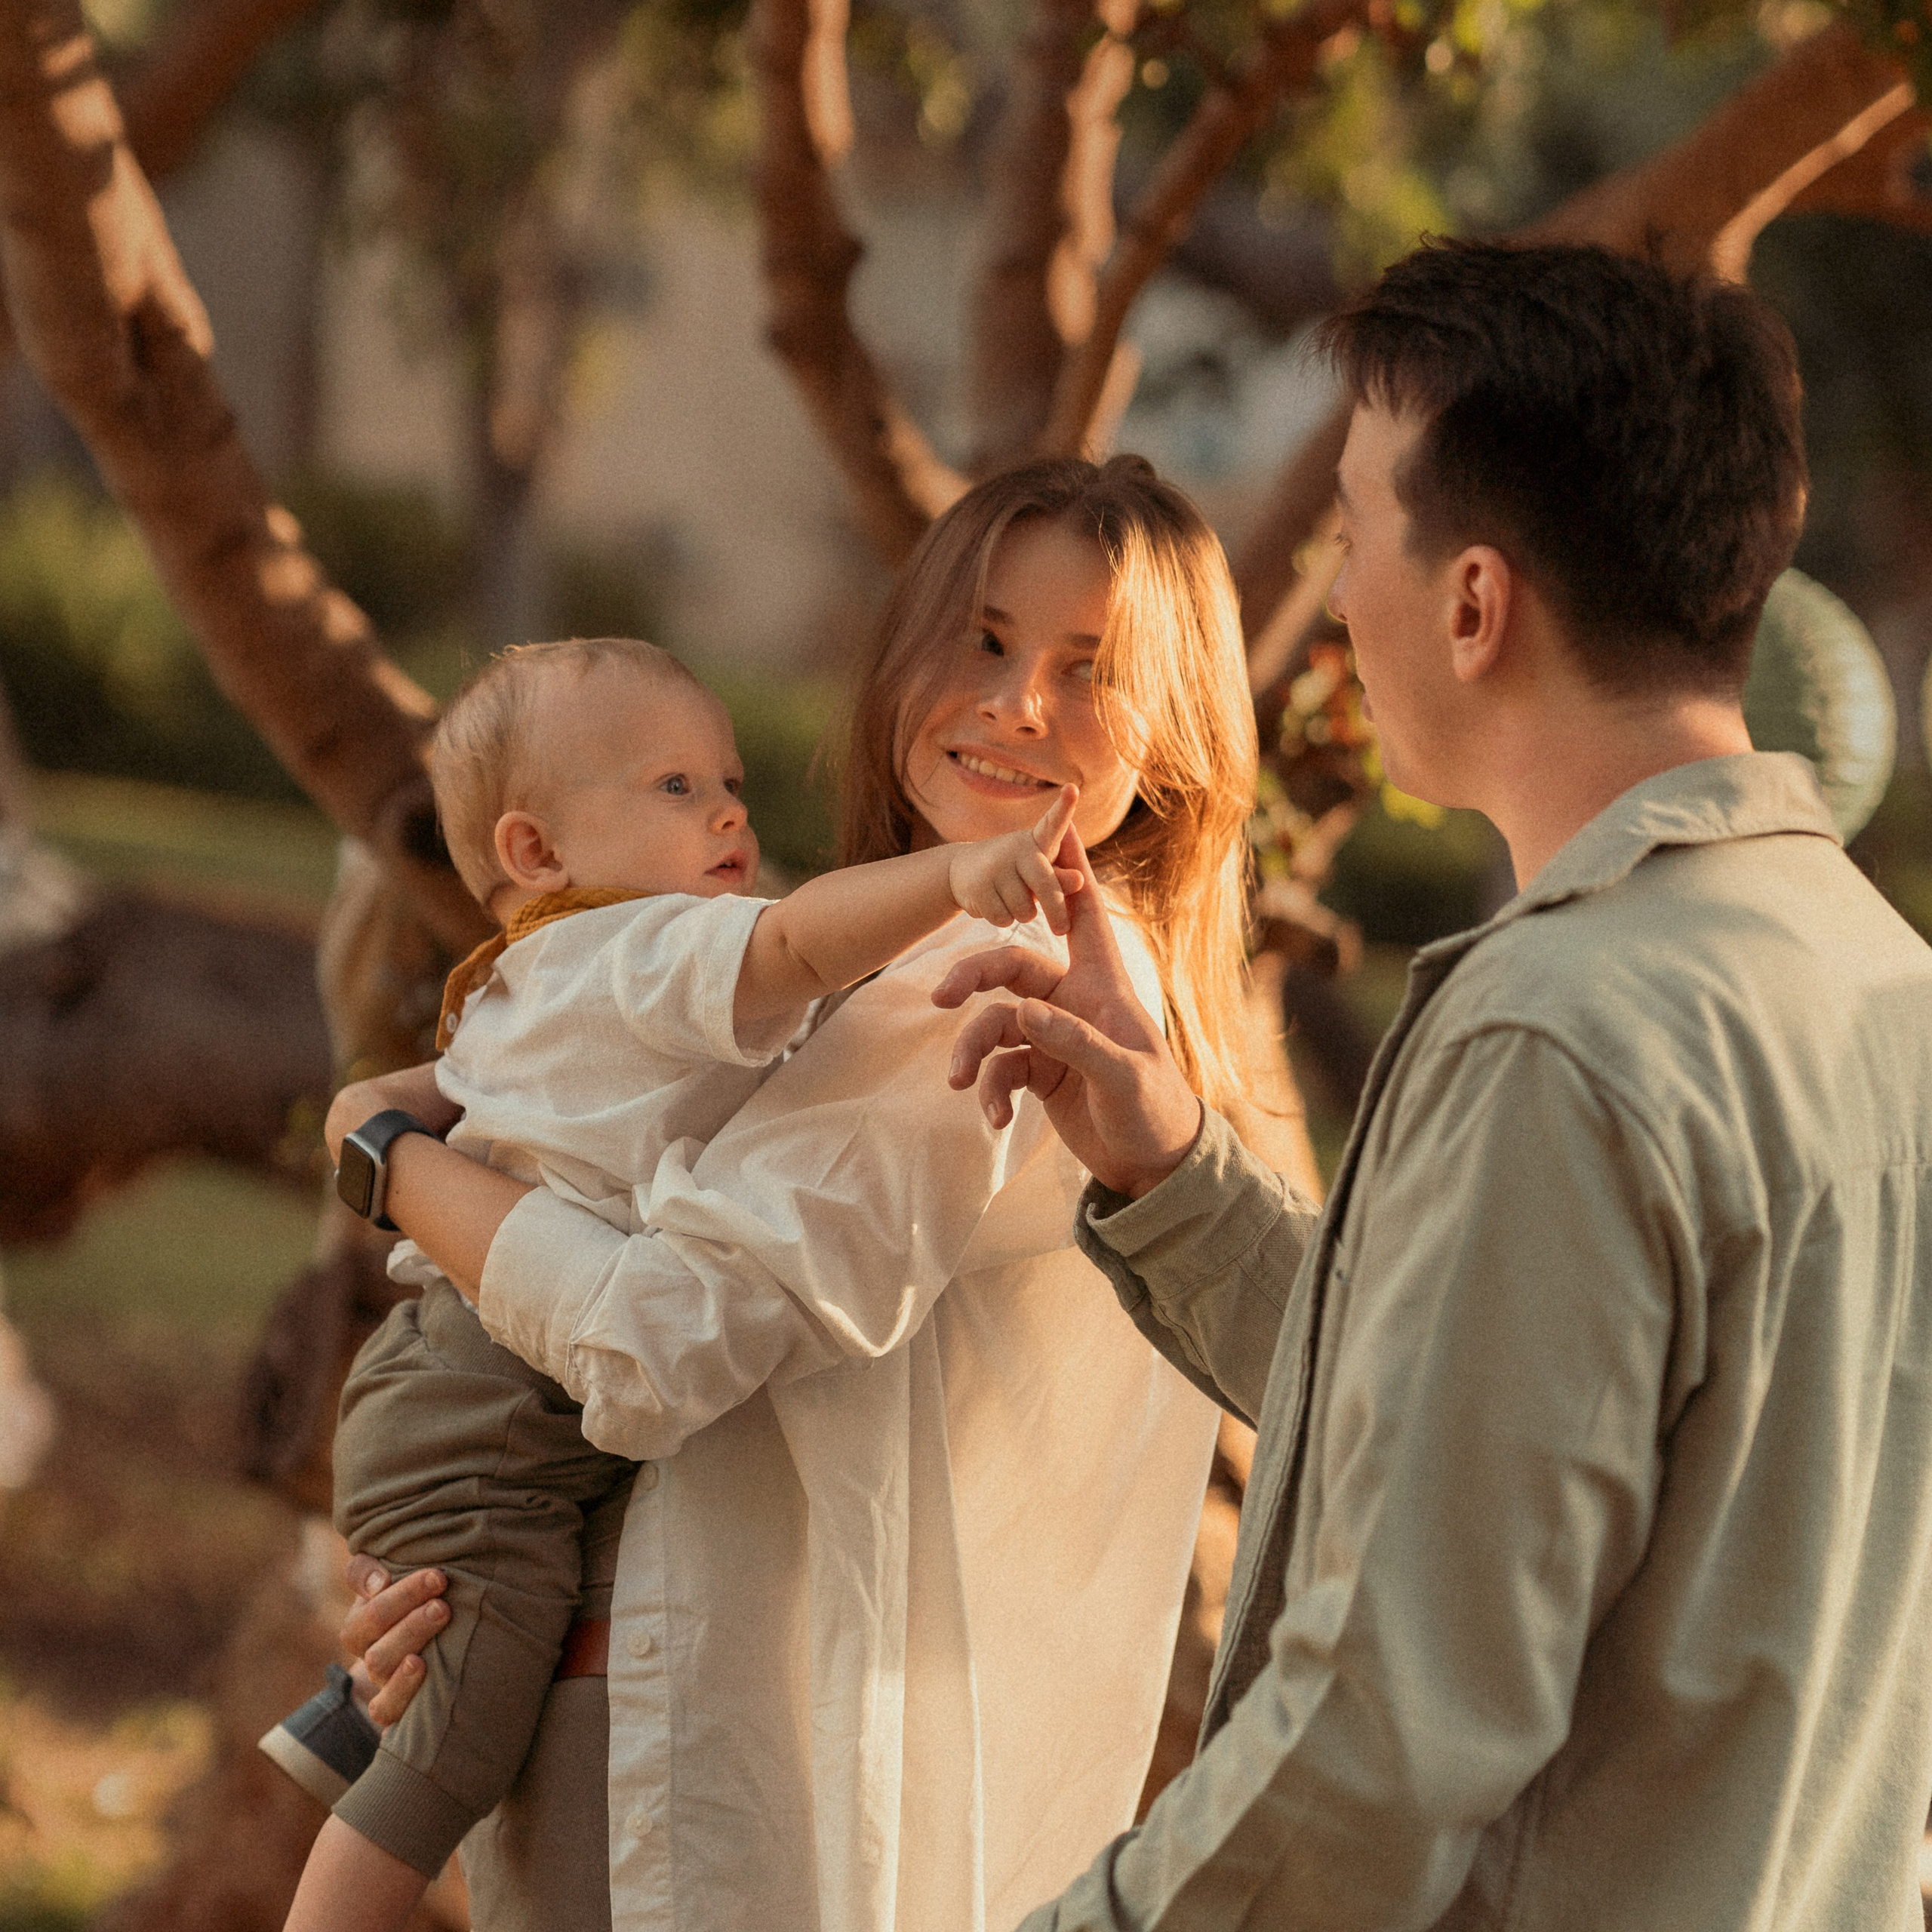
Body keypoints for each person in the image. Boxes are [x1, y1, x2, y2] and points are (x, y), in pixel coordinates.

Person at [939, 239, 1932, 1930]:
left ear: (1472, 600)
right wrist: (1169, 1163)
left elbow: (1380, 1733)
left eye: (1346, 525)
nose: (1332, 590)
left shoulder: (1561, 1033)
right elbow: (1516, 1447)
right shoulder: (1875, 984)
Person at [325, 456, 1263, 1932]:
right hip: (642, 1698)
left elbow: (654, 1343)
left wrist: (392, 1162)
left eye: (1089, 671)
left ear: (1179, 736)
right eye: (983, 637)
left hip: (703, 1767)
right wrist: (463, 1550)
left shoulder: (995, 977)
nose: (1016, 702)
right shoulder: (1015, 963)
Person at [271, 635, 1088, 1932]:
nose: (726, 810)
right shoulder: (638, 956)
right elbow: (799, 946)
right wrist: (956, 877)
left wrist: (374, 1136)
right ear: (537, 854)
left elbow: (413, 1118)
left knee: (458, 1666)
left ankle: (328, 1728)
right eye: (671, 788)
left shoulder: (540, 978)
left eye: (726, 779)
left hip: (457, 1381)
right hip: (485, 1402)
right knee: (448, 1748)